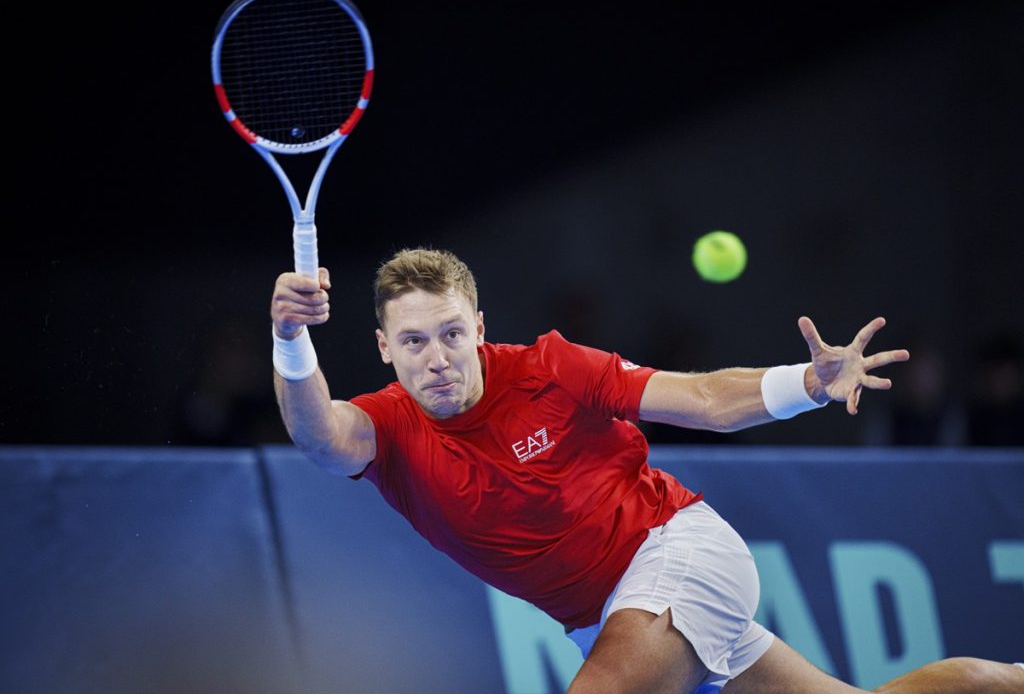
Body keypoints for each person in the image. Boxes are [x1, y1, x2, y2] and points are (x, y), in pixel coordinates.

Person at [269, 248, 1023, 693]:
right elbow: (319, 439)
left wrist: (809, 383)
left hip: (676, 553)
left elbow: (700, 398)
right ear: (381, 349)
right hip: (607, 615)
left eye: (451, 334)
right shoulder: (387, 428)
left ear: (479, 329)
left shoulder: (551, 368)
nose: (435, 358)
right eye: (413, 343)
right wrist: (291, 341)